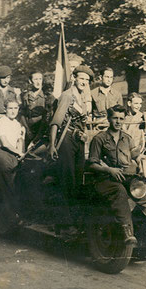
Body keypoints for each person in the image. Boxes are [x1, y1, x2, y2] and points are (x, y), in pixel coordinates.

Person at [87, 105, 140, 245]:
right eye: (115, 118)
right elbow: (92, 164)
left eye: (121, 119)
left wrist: (141, 162)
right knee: (120, 190)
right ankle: (127, 232)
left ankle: (141, 212)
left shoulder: (127, 138)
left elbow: (135, 155)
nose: (118, 121)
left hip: (124, 176)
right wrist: (110, 170)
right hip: (104, 180)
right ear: (109, 119)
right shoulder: (100, 138)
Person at [49, 65, 94, 196]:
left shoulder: (83, 98)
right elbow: (55, 123)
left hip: (78, 141)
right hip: (67, 139)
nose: (84, 82)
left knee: (78, 177)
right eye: (81, 78)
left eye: (87, 80)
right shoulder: (67, 96)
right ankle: (66, 212)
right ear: (74, 78)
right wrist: (52, 145)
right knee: (67, 178)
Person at [0, 100, 26, 224]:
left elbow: (19, 142)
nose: (13, 111)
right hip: (2, 155)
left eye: (16, 108)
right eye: (10, 108)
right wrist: (19, 153)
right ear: (5, 109)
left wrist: (22, 136)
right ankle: (12, 217)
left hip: (13, 156)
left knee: (16, 185)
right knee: (8, 187)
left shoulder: (17, 124)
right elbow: (5, 143)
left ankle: (16, 215)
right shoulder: (1, 122)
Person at [21, 71, 52, 146]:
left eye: (40, 79)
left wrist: (39, 134)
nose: (38, 82)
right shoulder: (25, 96)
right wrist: (27, 129)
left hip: (41, 129)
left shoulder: (47, 96)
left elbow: (48, 116)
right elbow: (22, 114)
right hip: (28, 128)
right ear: (30, 81)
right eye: (35, 79)